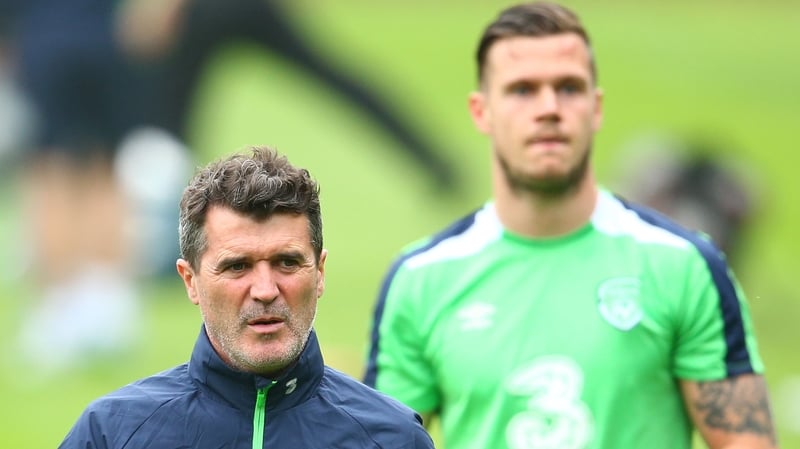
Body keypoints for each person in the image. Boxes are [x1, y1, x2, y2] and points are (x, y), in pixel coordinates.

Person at [363, 2, 779, 449]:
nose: (549, 108)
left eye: (568, 87)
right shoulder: (422, 280)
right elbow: (381, 442)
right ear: (481, 111)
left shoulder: (684, 266)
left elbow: (745, 442)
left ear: (596, 107)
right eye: (523, 90)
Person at [59, 146, 435, 449]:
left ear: (319, 273)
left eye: (287, 262)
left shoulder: (392, 438)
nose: (265, 290)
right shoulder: (112, 434)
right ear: (190, 280)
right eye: (237, 267)